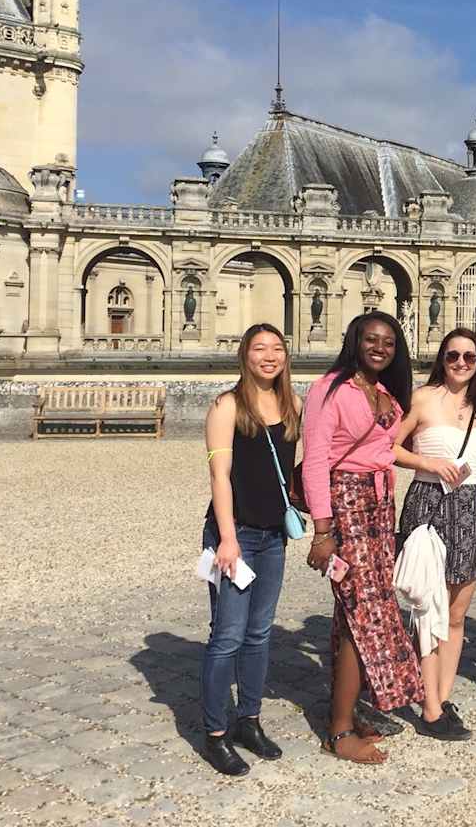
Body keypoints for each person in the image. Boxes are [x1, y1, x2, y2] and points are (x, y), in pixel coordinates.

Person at [303, 312, 422, 765]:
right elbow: (315, 461)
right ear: (354, 340)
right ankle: (338, 732)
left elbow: (385, 450)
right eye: (371, 339)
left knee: (351, 614)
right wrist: (323, 529)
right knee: (361, 612)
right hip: (346, 505)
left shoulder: (386, 391)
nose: (379, 347)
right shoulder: (330, 389)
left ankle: (348, 711)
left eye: (388, 342)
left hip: (379, 504)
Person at [393, 330, 476, 741]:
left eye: (470, 357)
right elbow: (389, 447)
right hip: (431, 506)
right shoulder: (422, 399)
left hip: (471, 511)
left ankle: (441, 696)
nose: (461, 362)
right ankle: (429, 708)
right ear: (442, 358)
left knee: (456, 615)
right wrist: (427, 461)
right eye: (454, 355)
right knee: (429, 609)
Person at [199, 324, 302, 776]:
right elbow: (220, 476)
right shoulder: (227, 405)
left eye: (277, 348)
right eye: (260, 348)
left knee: (259, 634)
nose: (269, 356)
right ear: (245, 355)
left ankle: (250, 720)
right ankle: (215, 732)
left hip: (272, 535)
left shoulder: (292, 404)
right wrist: (226, 538)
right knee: (227, 637)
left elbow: (296, 467)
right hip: (235, 533)